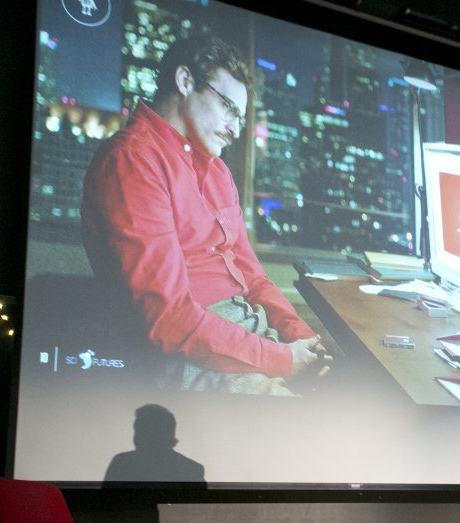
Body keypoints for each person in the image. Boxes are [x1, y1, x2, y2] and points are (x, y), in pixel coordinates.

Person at [81, 34, 325, 396]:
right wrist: (281, 359)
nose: (235, 128)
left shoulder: (217, 171)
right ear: (184, 81)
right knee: (312, 431)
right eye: (229, 107)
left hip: (242, 331)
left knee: (349, 396)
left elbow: (254, 278)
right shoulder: (132, 160)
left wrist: (302, 339)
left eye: (240, 118)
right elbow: (170, 319)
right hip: (184, 355)